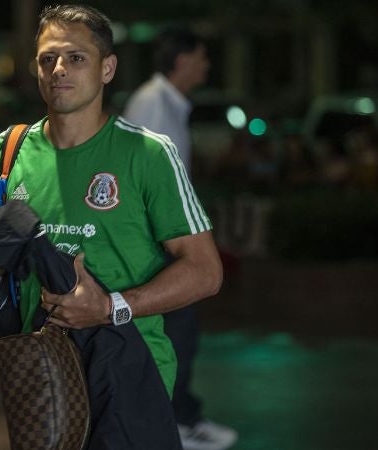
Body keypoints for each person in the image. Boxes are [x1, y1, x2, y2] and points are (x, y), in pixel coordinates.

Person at [0, 5, 222, 449]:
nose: (58, 69)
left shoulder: (148, 154)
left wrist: (110, 306)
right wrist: (8, 241)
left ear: (107, 68)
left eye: (76, 58)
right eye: (47, 59)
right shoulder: (13, 149)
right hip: (40, 373)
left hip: (131, 372)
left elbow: (205, 271)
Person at [124, 30, 238, 450]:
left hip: (167, 240)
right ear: (183, 59)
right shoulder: (154, 102)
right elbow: (147, 182)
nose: (206, 65)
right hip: (162, 243)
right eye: (202, 57)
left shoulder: (165, 101)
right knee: (177, 332)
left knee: (176, 332)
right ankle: (176, 422)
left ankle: (177, 418)